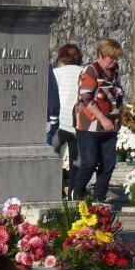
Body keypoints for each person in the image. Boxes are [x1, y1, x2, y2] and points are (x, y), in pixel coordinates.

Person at [72, 38, 124, 202]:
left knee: (108, 164)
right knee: (89, 162)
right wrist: (102, 118)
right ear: (100, 55)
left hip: (110, 126)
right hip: (89, 126)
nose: (113, 61)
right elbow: (86, 99)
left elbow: (117, 95)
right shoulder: (90, 71)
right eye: (110, 57)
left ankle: (99, 199)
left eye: (116, 58)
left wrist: (120, 116)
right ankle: (77, 192)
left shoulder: (115, 71)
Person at [52, 43, 84, 198]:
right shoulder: (85, 72)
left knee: (52, 156)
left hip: (59, 121)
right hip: (78, 121)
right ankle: (74, 193)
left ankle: (54, 190)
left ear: (61, 57)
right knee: (76, 161)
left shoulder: (56, 73)